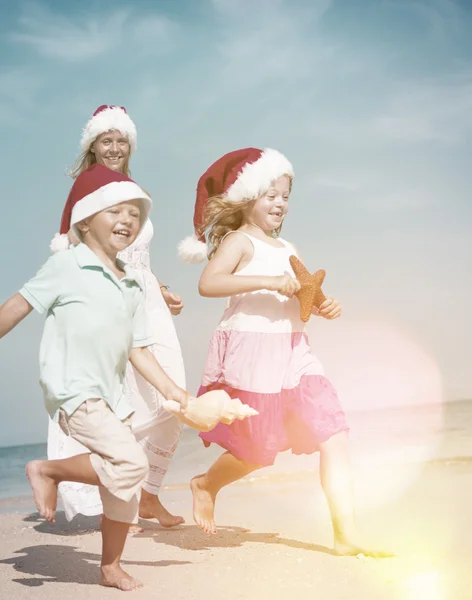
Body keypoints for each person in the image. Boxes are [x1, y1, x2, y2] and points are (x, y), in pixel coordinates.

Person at [178, 147, 392, 557]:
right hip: (252, 352)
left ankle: (346, 535)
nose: (280, 204)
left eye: (285, 196)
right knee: (257, 451)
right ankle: (205, 484)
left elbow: (304, 296)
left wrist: (325, 306)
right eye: (270, 195)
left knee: (333, 431)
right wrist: (271, 283)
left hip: (295, 349)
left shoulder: (289, 248)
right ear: (246, 199)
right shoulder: (239, 242)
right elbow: (209, 283)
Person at [0, 164, 190, 590]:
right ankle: (48, 470)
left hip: (110, 396)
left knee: (123, 484)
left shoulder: (132, 285)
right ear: (84, 222)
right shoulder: (66, 266)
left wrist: (174, 391)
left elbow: (139, 349)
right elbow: (16, 306)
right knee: (130, 462)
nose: (127, 220)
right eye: (115, 211)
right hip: (72, 387)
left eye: (134, 214)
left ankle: (110, 566)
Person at [48, 105, 186, 528]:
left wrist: (159, 288)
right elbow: (71, 243)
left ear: (130, 146)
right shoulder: (89, 184)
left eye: (120, 140)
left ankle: (146, 494)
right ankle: (119, 486)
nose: (113, 147)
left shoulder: (130, 186)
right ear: (93, 146)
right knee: (147, 399)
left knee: (172, 395)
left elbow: (136, 252)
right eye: (105, 140)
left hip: (148, 298)